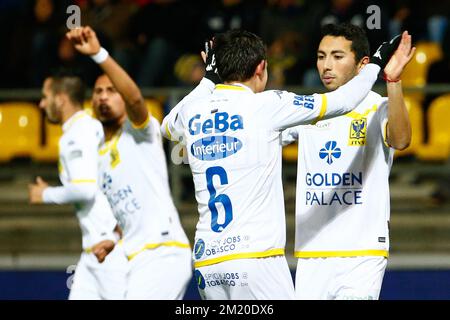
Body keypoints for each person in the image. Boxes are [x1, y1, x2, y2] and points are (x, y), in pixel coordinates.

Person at [161, 29, 403, 300]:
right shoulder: (267, 105)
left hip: (208, 263)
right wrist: (377, 63)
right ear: (261, 68)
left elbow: (167, 127)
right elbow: (345, 101)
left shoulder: (193, 112)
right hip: (256, 259)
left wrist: (208, 80)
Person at [281, 23, 415, 300]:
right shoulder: (310, 109)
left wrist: (394, 81)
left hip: (362, 252)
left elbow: (401, 140)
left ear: (362, 64)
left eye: (337, 56)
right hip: (312, 252)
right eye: (321, 56)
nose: (326, 65)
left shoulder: (377, 106)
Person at [65, 26, 192, 299]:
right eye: (98, 91)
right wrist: (111, 238)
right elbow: (125, 212)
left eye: (111, 90)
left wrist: (98, 54)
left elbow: (135, 97)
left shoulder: (140, 133)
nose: (102, 96)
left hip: (162, 251)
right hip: (131, 258)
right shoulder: (95, 155)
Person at [28, 72, 128, 300]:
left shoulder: (78, 133)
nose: (42, 104)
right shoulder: (87, 128)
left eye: (45, 96)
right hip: (93, 251)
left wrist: (45, 194)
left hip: (109, 250)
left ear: (61, 98)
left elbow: (85, 189)